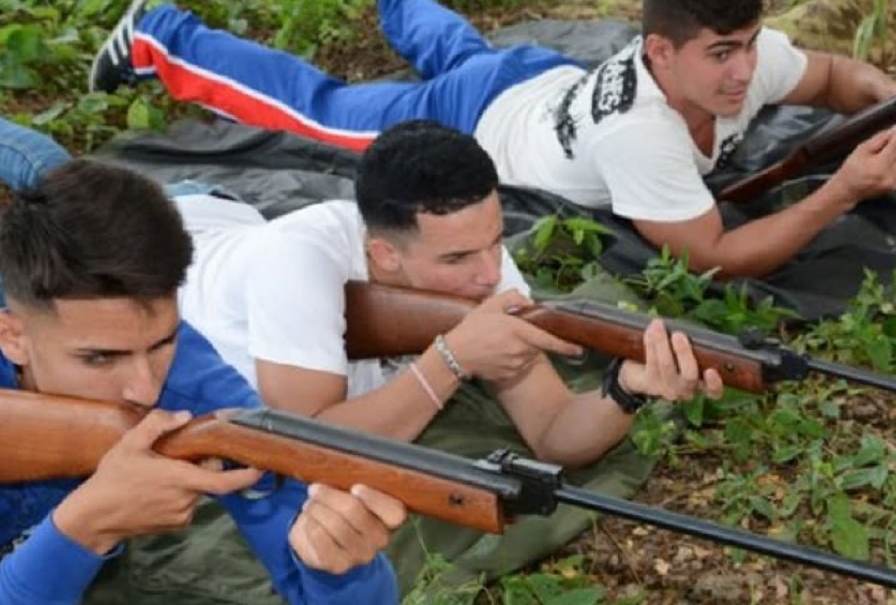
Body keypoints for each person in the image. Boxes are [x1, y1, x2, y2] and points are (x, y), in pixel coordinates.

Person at [0, 66, 404, 604]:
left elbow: (329, 579)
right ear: (11, 337)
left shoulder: (190, 377)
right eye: (100, 358)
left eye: (161, 343)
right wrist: (86, 525)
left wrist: (341, 566)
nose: (146, 389)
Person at [88, 0, 896, 279]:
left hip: (537, 78)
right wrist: (842, 192)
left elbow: (834, 76)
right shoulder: (641, 136)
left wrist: (895, 91)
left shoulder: (745, 59)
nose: (742, 73)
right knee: (315, 110)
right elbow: (716, 255)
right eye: (720, 55)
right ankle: (162, 35)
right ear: (660, 50)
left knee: (460, 50)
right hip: (468, 121)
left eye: (747, 49)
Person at [175, 119, 725, 466]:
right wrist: (450, 361)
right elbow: (303, 445)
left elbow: (553, 433)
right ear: (385, 254)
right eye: (457, 259)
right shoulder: (296, 262)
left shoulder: (485, 264)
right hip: (157, 244)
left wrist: (626, 389)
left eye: (496, 240)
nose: (489, 274)